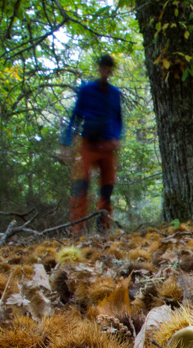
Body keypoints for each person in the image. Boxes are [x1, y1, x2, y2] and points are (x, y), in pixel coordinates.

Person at [60, 54, 123, 235]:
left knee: (107, 189)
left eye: (109, 69)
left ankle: (103, 230)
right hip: (88, 144)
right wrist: (66, 143)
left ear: (111, 71)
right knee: (80, 186)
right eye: (104, 68)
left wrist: (116, 137)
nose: (106, 72)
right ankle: (76, 231)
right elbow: (75, 117)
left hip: (108, 146)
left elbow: (119, 119)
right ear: (99, 68)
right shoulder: (87, 90)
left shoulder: (114, 94)